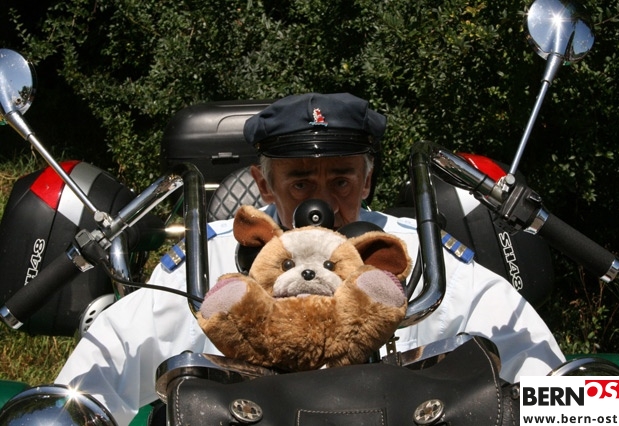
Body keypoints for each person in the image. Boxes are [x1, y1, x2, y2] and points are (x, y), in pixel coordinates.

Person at [55, 92, 565, 425]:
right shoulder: (208, 262)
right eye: (300, 182)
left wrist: (576, 401)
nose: (321, 206)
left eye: (340, 180)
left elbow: (550, 381)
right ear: (263, 184)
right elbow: (97, 374)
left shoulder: (422, 257)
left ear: (367, 180)